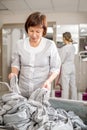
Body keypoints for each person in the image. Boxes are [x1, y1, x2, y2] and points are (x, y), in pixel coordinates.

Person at [8, 12, 61, 98]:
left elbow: (55, 68)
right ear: (27, 29)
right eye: (31, 31)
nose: (34, 35)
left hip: (41, 90)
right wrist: (14, 74)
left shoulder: (50, 45)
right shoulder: (20, 44)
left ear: (43, 31)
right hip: (22, 90)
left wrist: (48, 81)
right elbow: (15, 64)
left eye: (38, 31)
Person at [58, 32, 77, 100]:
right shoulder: (73, 47)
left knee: (65, 87)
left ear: (64, 38)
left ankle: (64, 101)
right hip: (72, 67)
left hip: (66, 67)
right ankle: (74, 101)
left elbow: (61, 60)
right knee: (73, 86)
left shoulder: (65, 48)